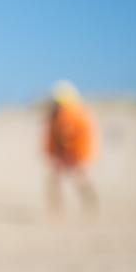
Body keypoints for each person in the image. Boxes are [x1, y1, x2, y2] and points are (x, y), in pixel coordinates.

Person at [45, 80, 98, 215]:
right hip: (68, 153)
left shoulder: (69, 114)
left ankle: (88, 202)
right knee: (58, 180)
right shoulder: (62, 114)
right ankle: (58, 208)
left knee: (78, 178)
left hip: (74, 153)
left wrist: (67, 154)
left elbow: (67, 136)